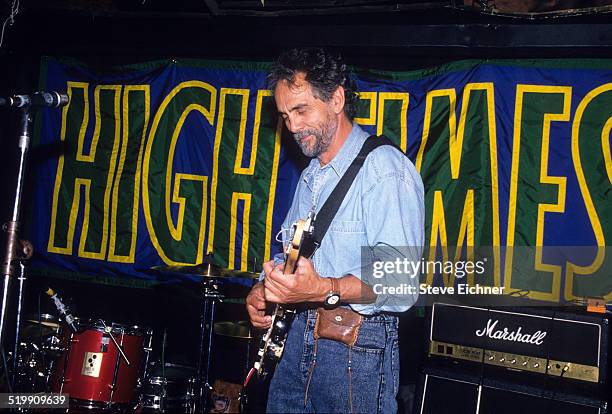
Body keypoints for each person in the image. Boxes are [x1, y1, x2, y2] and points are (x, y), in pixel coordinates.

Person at [246, 47, 424, 413]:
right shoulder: (310, 177)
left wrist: (323, 289)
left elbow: (401, 285)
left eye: (301, 110)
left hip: (355, 353)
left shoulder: (386, 170)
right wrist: (267, 290)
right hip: (295, 343)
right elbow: (294, 259)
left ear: (337, 98)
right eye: (284, 115)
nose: (292, 127)